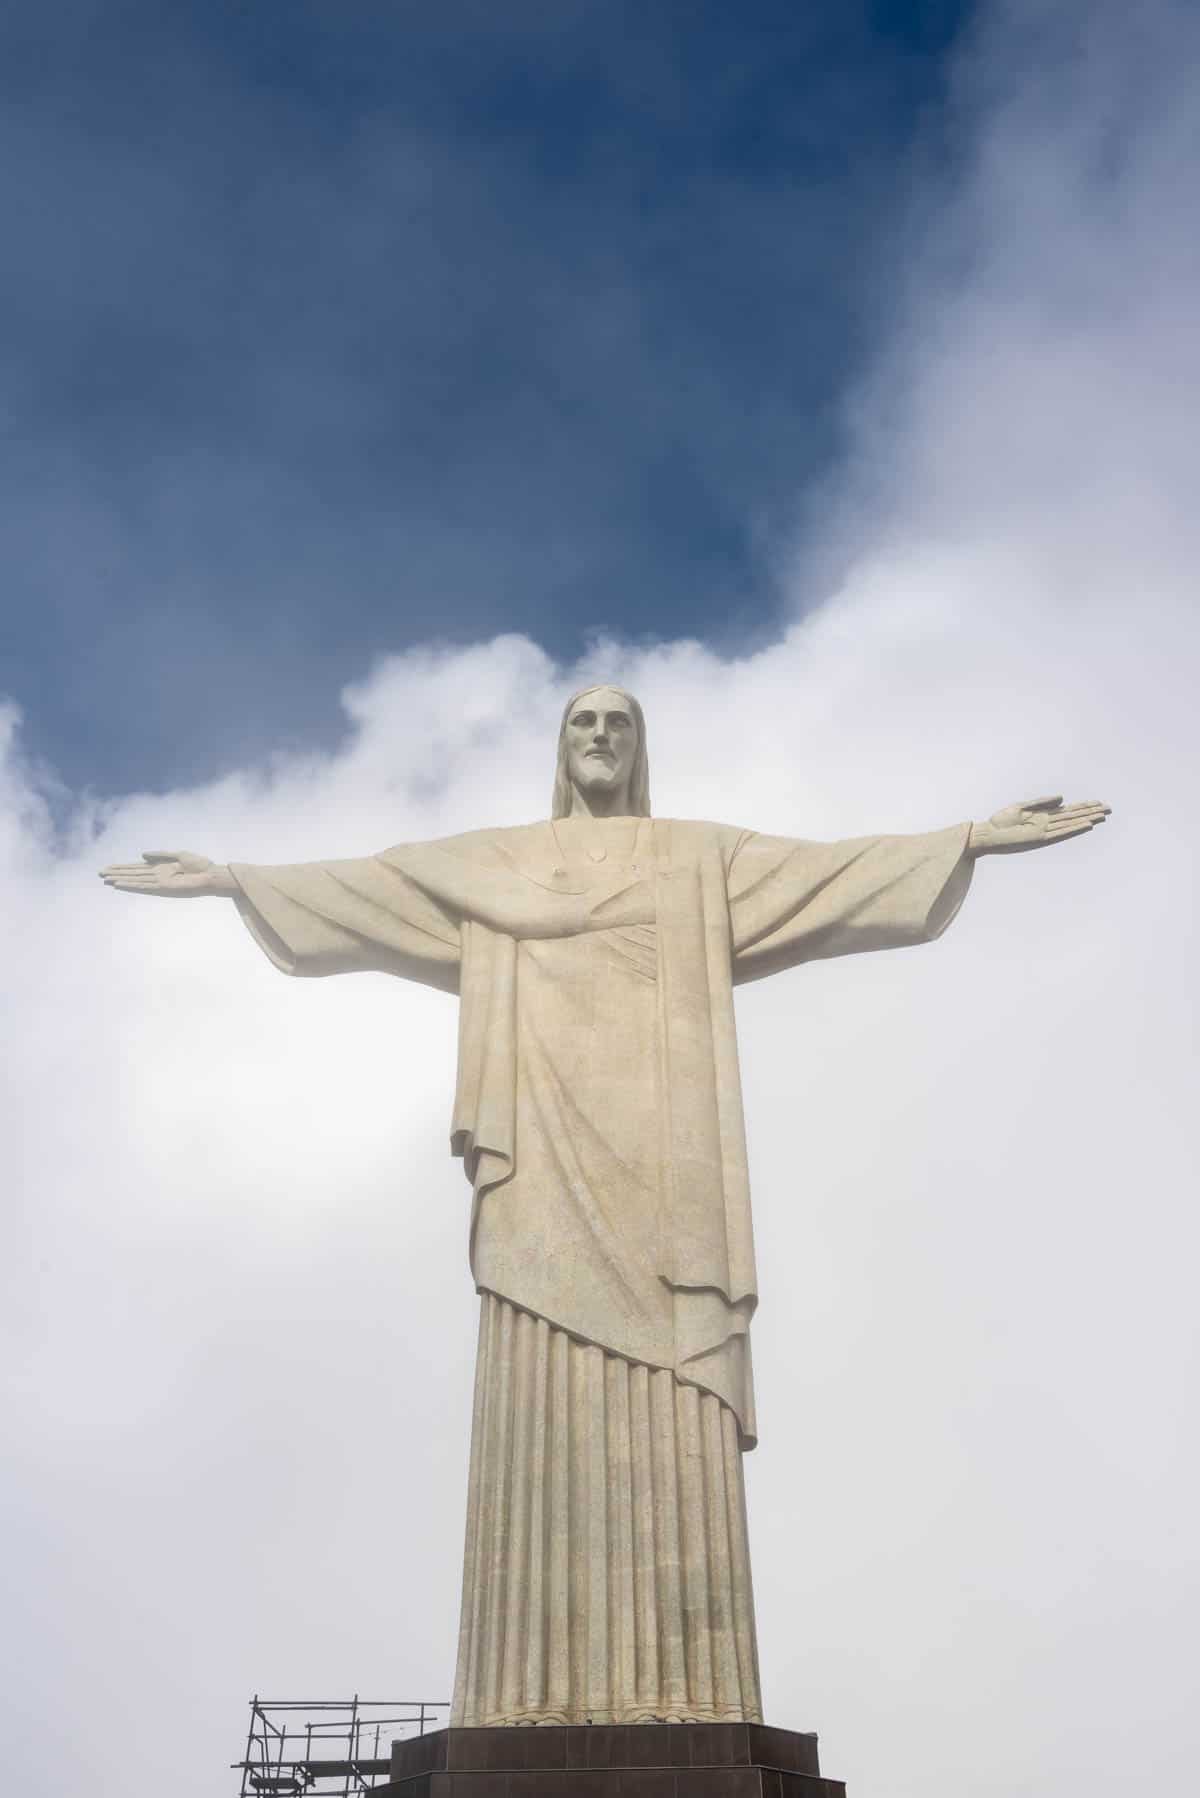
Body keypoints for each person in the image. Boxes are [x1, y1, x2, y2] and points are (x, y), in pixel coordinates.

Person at [101, 684, 1109, 1728]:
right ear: (560, 746)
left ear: (638, 749)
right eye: (582, 722)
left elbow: (829, 876)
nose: (599, 737)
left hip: (669, 1175)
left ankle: (690, 1694)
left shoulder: (695, 859)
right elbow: (374, 889)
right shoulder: (491, 865)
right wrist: (232, 879)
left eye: (617, 724)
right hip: (538, 1162)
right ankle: (518, 1697)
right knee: (536, 1362)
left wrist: (972, 840)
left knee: (675, 1386)